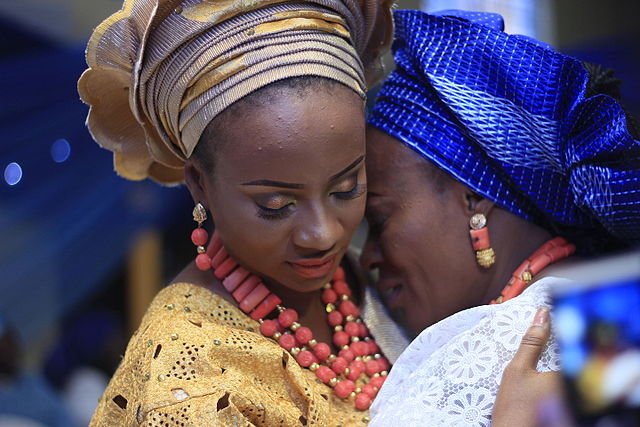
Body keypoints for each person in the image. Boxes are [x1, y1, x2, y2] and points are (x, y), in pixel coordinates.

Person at [361, 9, 640, 426]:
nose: (367, 257)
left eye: (379, 220)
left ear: (474, 200)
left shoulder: (496, 352)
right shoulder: (613, 309)